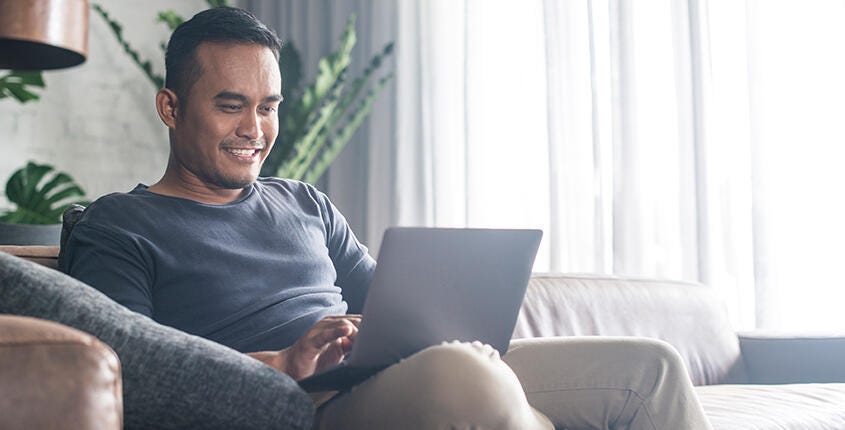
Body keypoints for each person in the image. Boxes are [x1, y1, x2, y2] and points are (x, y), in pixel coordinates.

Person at [62, 7, 713, 429]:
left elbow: (396, 311)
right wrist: (283, 362)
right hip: (293, 405)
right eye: (230, 105)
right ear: (170, 107)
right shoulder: (118, 226)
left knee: (647, 367)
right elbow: (125, 374)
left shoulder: (304, 203)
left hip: (391, 379)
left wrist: (438, 319)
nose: (254, 130)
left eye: (268, 106)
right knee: (468, 379)